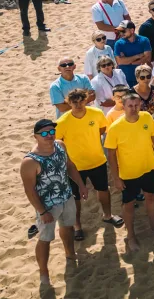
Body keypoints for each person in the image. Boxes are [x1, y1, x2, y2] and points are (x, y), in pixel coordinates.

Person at [21, 118, 86, 288]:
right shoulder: (30, 161)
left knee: (67, 227)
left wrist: (80, 185)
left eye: (51, 132)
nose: (49, 136)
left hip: (67, 197)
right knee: (45, 238)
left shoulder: (60, 145)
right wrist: (42, 212)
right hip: (47, 205)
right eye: (44, 133)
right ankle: (44, 272)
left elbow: (69, 165)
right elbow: (30, 190)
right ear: (36, 136)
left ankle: (70, 254)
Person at [104, 93, 154, 252]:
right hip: (128, 174)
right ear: (124, 107)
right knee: (128, 206)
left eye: (136, 105)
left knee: (152, 198)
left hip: (149, 168)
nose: (133, 109)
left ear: (140, 105)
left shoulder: (146, 117)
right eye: (130, 106)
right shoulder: (115, 128)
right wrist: (116, 178)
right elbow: (111, 155)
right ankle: (131, 236)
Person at [56, 88, 123, 235]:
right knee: (76, 198)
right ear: (69, 103)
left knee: (104, 190)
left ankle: (107, 215)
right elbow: (58, 142)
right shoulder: (62, 121)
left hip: (97, 160)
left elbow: (102, 129)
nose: (78, 105)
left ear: (86, 100)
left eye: (81, 101)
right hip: (75, 166)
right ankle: (77, 226)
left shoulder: (96, 113)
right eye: (75, 102)